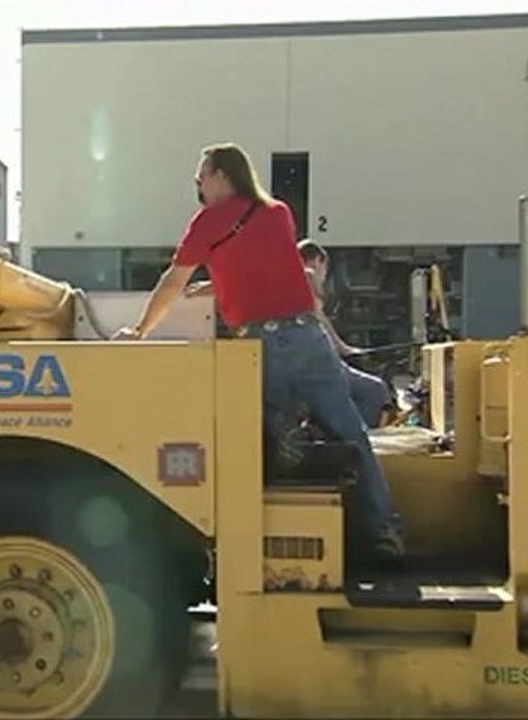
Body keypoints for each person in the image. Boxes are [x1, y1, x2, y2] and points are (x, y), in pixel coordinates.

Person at [111, 143, 404, 562]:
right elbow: (266, 270)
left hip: (262, 348)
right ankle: (383, 530)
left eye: (201, 177)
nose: (198, 186)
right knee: (351, 432)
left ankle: (263, 543)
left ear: (222, 176)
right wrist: (217, 285)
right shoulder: (278, 213)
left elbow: (173, 282)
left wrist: (140, 330)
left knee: (263, 442)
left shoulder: (209, 221)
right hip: (308, 338)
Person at [297, 240, 392, 429]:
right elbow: (319, 320)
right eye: (325, 269)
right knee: (375, 390)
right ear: (317, 261)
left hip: (305, 360)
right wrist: (344, 349)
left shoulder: (285, 278)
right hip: (316, 361)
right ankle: (357, 437)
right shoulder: (307, 277)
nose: (324, 276)